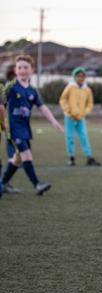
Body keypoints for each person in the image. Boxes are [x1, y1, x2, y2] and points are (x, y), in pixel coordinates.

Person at [1, 55, 64, 196]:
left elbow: (43, 108)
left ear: (32, 70)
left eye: (25, 67)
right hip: (12, 129)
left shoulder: (32, 91)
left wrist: (54, 122)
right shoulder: (10, 86)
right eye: (19, 67)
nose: (22, 70)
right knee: (26, 155)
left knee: (17, 160)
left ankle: (2, 184)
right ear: (15, 70)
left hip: (25, 129)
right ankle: (37, 184)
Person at [58, 67, 101, 166]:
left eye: (82, 76)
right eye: (78, 76)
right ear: (74, 77)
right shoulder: (70, 87)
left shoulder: (87, 90)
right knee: (70, 137)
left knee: (84, 136)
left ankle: (89, 157)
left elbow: (89, 103)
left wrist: (84, 113)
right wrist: (68, 111)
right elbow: (63, 100)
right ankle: (71, 157)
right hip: (69, 117)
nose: (80, 78)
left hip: (81, 118)